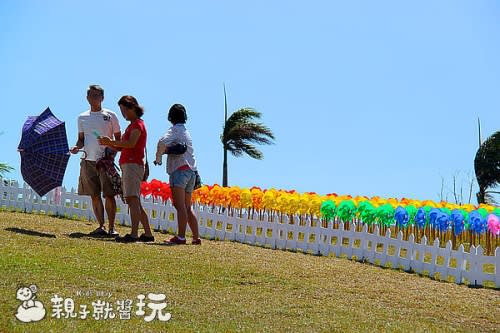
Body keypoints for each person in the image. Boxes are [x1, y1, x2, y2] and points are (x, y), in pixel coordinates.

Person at [98, 95, 154, 243]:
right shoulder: (132, 125)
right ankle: (147, 233)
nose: (123, 114)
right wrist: (109, 143)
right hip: (129, 164)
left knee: (132, 199)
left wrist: (114, 142)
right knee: (134, 200)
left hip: (132, 165)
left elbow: (131, 143)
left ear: (131, 108)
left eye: (124, 110)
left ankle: (134, 234)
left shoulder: (137, 125)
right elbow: (123, 145)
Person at [70, 85, 121, 236]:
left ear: (102, 98)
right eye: (91, 95)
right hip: (87, 160)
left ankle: (112, 227)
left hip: (105, 161)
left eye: (97, 95)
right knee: (94, 194)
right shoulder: (82, 117)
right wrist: (75, 147)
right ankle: (101, 226)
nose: (94, 98)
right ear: (87, 98)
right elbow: (81, 139)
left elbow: (118, 139)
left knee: (109, 195)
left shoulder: (110, 115)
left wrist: (111, 149)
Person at [154, 104, 201, 245]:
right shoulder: (186, 132)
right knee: (187, 206)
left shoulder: (174, 130)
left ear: (170, 117)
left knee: (179, 205)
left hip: (179, 170)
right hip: (191, 171)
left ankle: (181, 236)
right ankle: (196, 237)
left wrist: (159, 156)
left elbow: (162, 141)